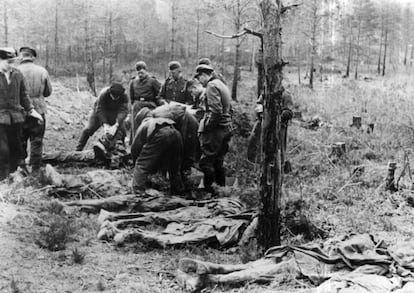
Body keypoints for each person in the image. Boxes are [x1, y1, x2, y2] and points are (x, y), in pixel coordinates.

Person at [0, 47, 43, 180]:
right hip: (0, 118)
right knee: (3, 150)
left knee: (16, 149)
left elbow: (24, 95)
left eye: (13, 62)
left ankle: (13, 177)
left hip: (16, 117)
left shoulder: (17, 74)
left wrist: (32, 110)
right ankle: (3, 180)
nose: (11, 65)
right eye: (9, 62)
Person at [194, 64, 232, 194]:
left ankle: (208, 192)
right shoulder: (221, 84)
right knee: (218, 162)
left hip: (216, 130)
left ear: (204, 75)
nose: (199, 82)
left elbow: (216, 111)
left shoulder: (211, 86)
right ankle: (221, 190)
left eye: (199, 78)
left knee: (206, 162)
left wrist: (208, 127)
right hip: (225, 127)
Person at [17, 46, 52, 173]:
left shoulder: (14, 71)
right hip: (39, 110)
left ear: (21, 56)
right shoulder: (42, 71)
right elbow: (48, 92)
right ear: (32, 57)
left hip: (20, 111)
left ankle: (21, 168)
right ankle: (36, 170)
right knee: (37, 140)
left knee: (20, 140)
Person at [131, 116, 184, 195]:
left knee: (141, 164)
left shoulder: (144, 125)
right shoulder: (159, 120)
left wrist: (135, 163)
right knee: (174, 167)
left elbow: (135, 147)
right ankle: (179, 191)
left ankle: (138, 191)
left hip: (162, 134)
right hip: (177, 134)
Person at [247, 87, 293, 172]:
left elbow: (289, 112)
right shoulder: (266, 92)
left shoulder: (286, 95)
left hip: (279, 128)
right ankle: (258, 170)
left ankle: (278, 172)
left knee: (278, 153)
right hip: (263, 126)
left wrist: (275, 115)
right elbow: (258, 104)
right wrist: (261, 111)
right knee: (257, 148)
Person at [76, 83, 129, 151]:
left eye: (116, 97)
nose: (114, 99)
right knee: (88, 129)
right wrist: (105, 124)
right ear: (110, 93)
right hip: (99, 111)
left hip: (114, 112)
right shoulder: (104, 93)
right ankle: (78, 149)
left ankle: (121, 149)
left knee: (122, 131)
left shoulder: (124, 96)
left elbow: (123, 111)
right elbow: (100, 109)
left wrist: (116, 124)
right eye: (112, 96)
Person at [129, 61, 161, 143]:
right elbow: (131, 96)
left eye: (142, 73)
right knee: (136, 125)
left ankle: (150, 142)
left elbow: (159, 94)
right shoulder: (133, 82)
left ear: (146, 71)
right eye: (138, 73)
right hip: (137, 105)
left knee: (149, 124)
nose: (140, 75)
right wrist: (133, 104)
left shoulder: (152, 81)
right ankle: (135, 143)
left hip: (149, 105)